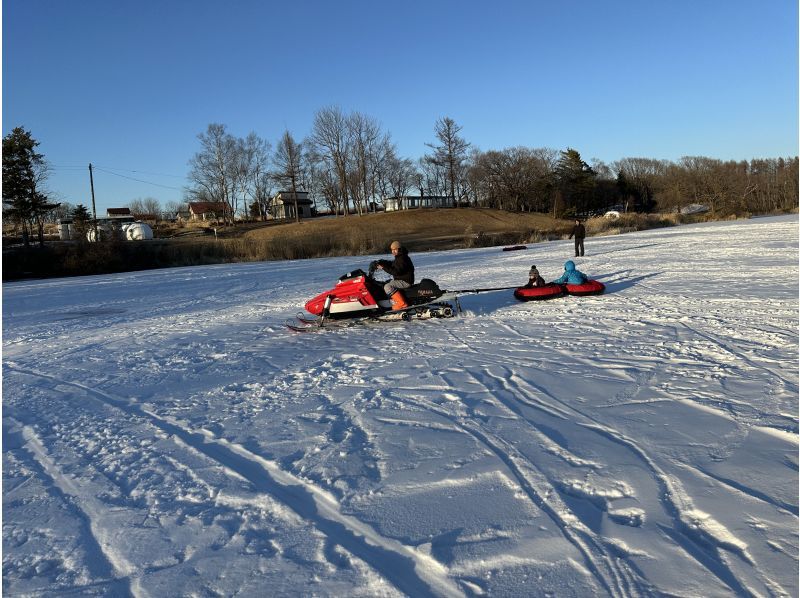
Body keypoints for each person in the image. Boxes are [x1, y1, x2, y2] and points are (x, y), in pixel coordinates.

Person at [376, 240, 415, 310]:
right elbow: (393, 264)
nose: (393, 251)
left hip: (405, 281)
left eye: (395, 249)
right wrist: (383, 262)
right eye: (392, 250)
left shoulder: (402, 259)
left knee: (388, 286)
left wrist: (383, 267)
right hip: (402, 279)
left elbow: (396, 271)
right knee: (386, 283)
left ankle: (402, 304)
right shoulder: (400, 257)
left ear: (399, 249)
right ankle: (394, 301)